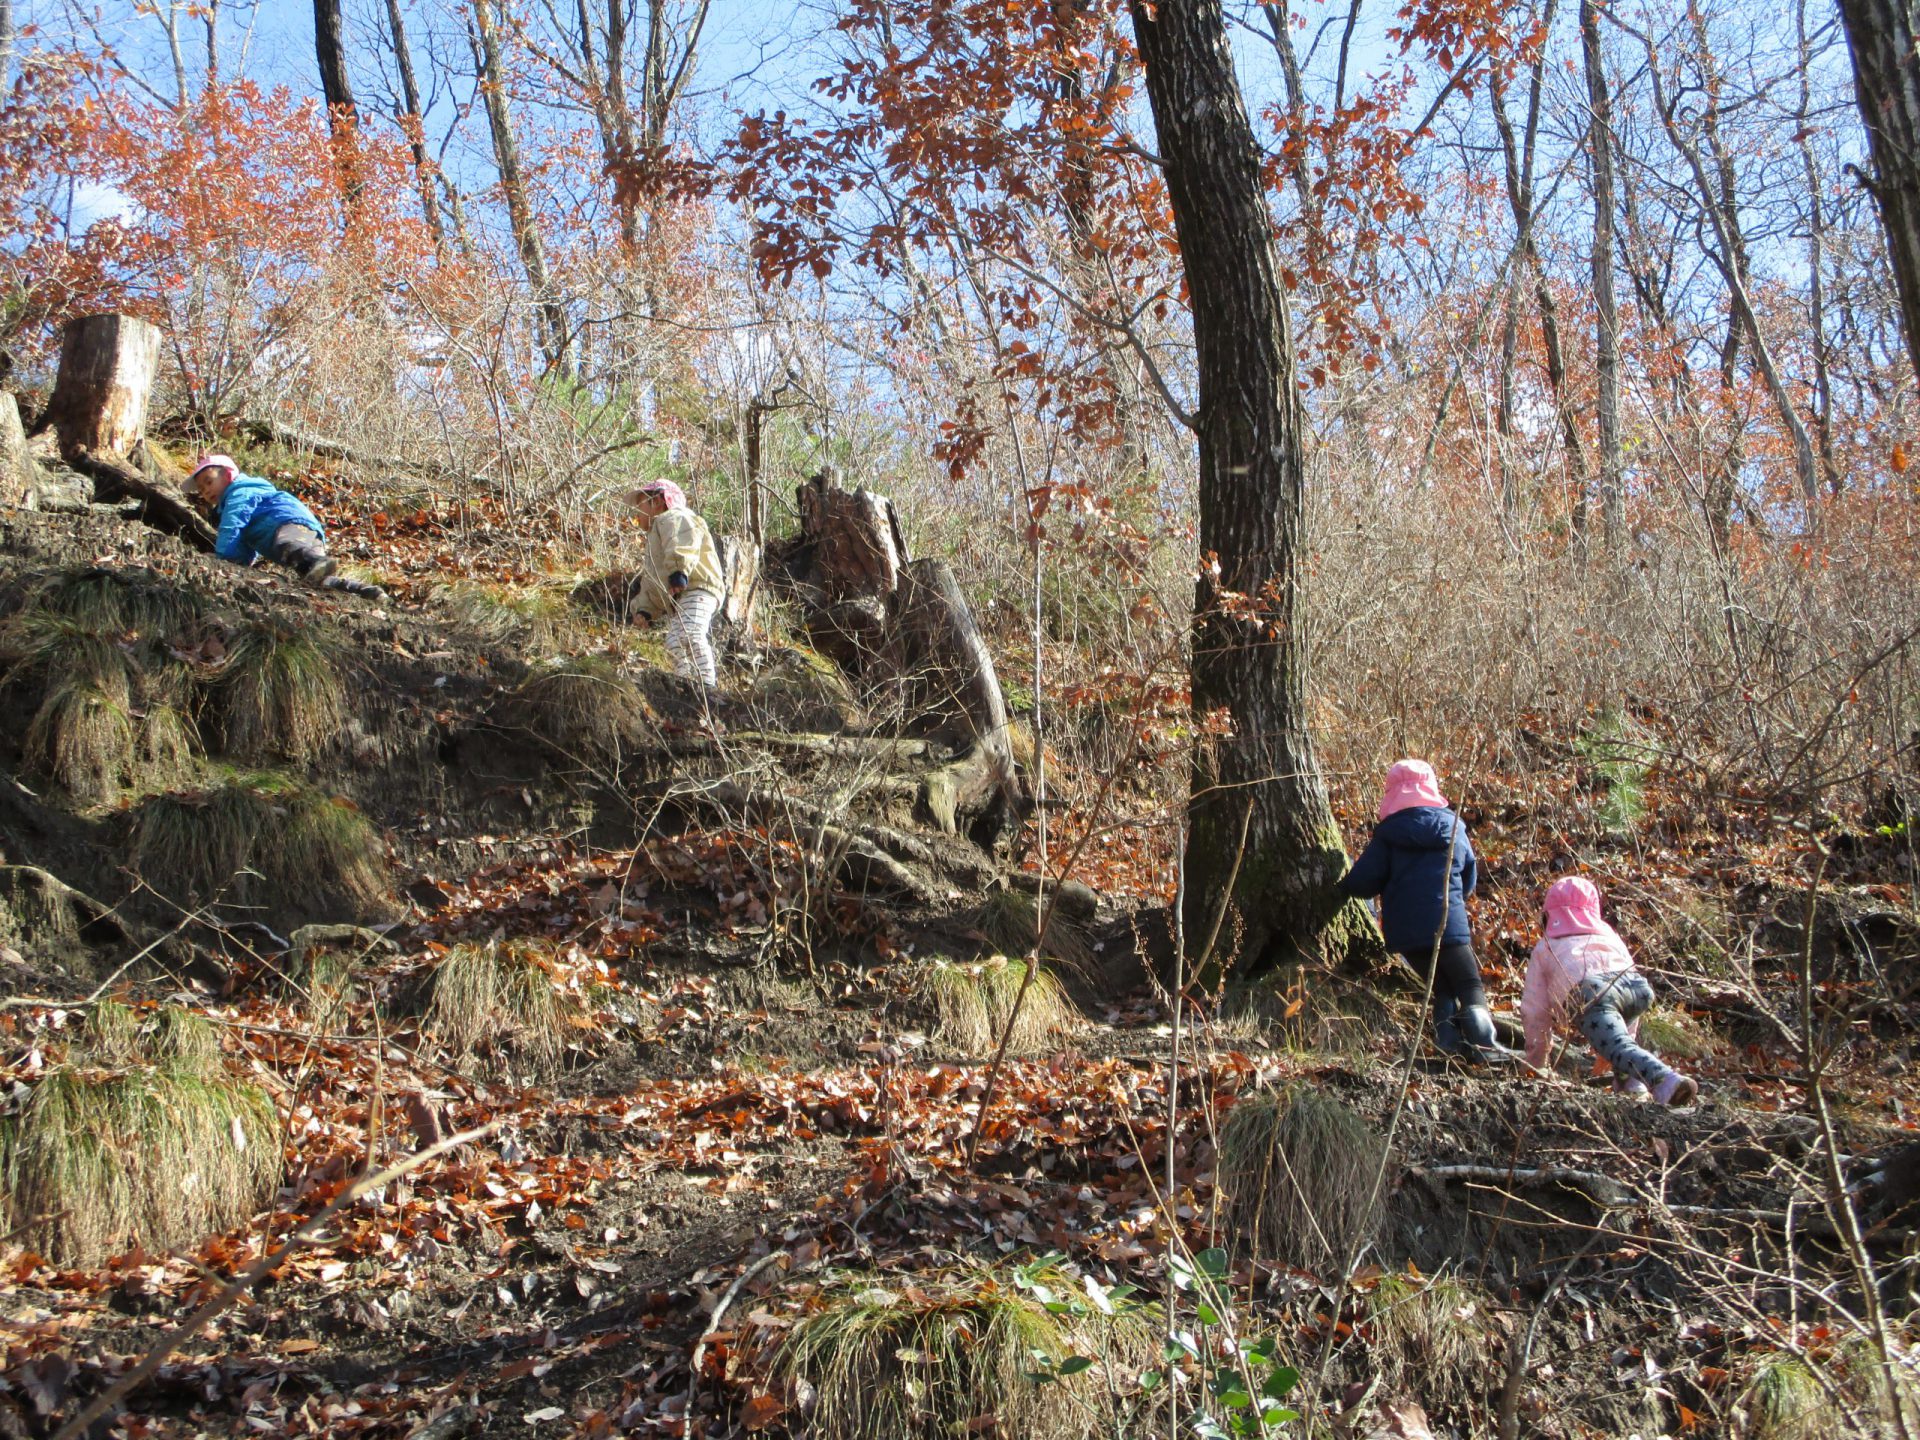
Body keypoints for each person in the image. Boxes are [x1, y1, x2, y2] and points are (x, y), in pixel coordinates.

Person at [1338, 758, 1502, 1061]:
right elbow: (1469, 877)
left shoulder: (1388, 836)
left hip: (1406, 934)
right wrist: (1456, 897)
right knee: (1468, 983)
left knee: (1441, 987)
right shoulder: (1454, 828)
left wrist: (1340, 882)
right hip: (1448, 923)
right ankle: (1485, 1045)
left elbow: (1363, 883)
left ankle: (1448, 1044)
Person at [1522, 875, 1699, 1106]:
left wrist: (1536, 1063)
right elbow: (1628, 971)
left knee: (1618, 1045)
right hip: (1636, 989)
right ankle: (1630, 1084)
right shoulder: (1609, 936)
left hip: (1592, 994)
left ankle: (1665, 1080)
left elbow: (1535, 1011)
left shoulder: (1546, 946)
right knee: (1620, 1042)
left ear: (1549, 915)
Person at [188, 454, 385, 600]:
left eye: (209, 482)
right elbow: (242, 542)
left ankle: (319, 561)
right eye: (201, 489)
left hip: (289, 524)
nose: (206, 491)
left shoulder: (240, 493)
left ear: (228, 475)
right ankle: (365, 591)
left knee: (289, 546)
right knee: (315, 580)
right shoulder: (231, 501)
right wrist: (237, 562)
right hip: (299, 536)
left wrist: (221, 557)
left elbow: (232, 525)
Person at [626, 479, 725, 694]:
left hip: (697, 588)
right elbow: (652, 580)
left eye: (639, 506)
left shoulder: (675, 517)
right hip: (680, 597)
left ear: (657, 501)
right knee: (674, 641)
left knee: (689, 635)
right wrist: (645, 610)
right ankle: (687, 683)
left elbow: (682, 542)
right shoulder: (656, 534)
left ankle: (706, 686)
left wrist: (679, 572)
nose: (636, 513)